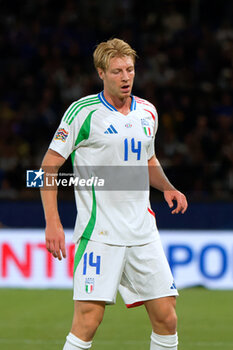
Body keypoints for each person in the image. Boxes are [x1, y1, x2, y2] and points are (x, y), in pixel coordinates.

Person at [40, 38, 188, 350]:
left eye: (130, 70)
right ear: (101, 73)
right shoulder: (83, 112)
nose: (125, 77)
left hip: (142, 232)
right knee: (88, 321)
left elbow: (148, 159)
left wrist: (168, 186)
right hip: (100, 234)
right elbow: (49, 166)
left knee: (167, 317)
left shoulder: (147, 112)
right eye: (118, 71)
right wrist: (52, 223)